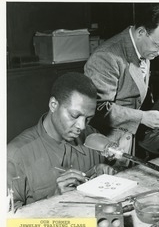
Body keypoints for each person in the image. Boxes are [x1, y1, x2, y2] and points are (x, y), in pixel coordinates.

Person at [84, 6, 159, 165]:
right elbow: (98, 109)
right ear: (141, 32)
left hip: (128, 143)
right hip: (106, 148)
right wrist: (143, 117)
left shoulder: (144, 47)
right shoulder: (106, 57)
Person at [7, 72, 116, 209]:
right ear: (53, 105)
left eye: (88, 118)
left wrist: (99, 173)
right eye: (74, 115)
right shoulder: (15, 156)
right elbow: (8, 223)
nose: (82, 126)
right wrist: (53, 200)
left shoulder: (92, 138)